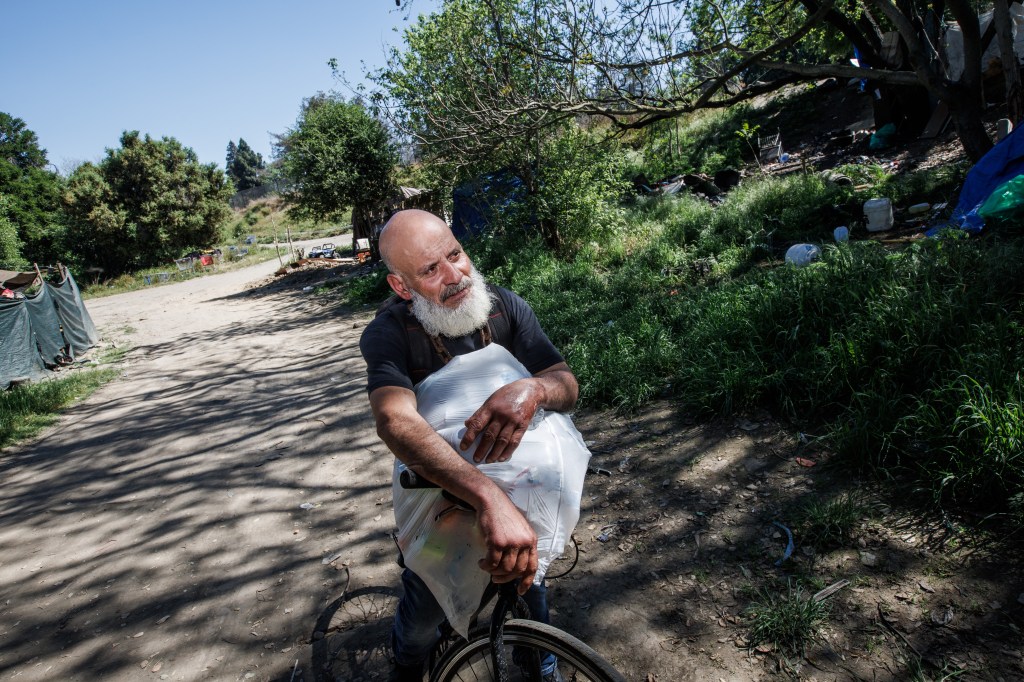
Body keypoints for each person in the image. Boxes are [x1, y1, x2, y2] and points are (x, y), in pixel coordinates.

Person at [359, 209, 579, 682]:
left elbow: (564, 382)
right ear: (402, 287)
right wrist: (488, 497)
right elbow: (394, 420)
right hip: (441, 501)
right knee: (425, 612)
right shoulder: (390, 332)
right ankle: (406, 666)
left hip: (523, 501)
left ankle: (540, 660)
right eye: (431, 270)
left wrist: (533, 390)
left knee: (530, 590)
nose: (456, 275)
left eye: (456, 254)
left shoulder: (504, 307)